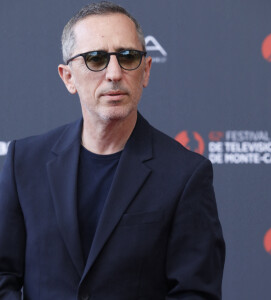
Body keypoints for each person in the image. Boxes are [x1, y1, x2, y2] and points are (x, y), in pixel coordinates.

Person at [0, 2, 225, 299]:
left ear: (145, 71)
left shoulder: (185, 175)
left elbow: (195, 293)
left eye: (128, 57)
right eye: (96, 59)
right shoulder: (23, 162)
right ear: (68, 77)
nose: (114, 73)